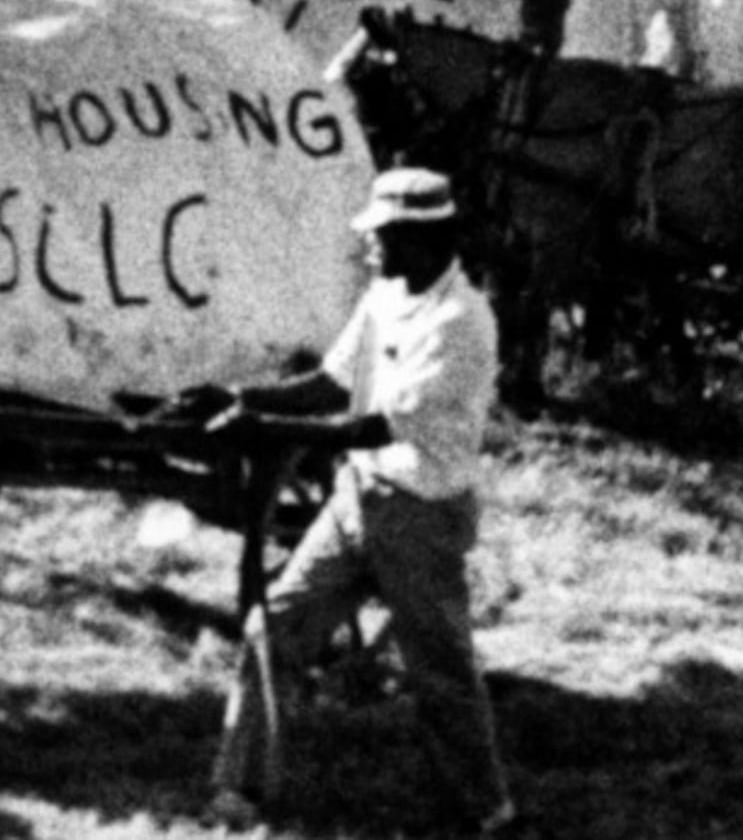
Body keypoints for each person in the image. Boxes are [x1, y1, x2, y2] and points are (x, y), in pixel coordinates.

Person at [206, 160, 516, 835]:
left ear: (425, 238)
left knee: (441, 674)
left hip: (422, 517)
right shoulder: (384, 294)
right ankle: (240, 792)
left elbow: (368, 423)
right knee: (272, 629)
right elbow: (330, 381)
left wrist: (264, 428)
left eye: (383, 234)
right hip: (357, 499)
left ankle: (487, 813)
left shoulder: (464, 321)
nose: (370, 245)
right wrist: (240, 399)